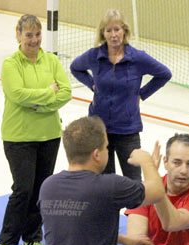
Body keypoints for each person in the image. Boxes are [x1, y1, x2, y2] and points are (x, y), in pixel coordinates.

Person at [35, 116, 165, 245]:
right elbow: (157, 191)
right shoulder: (110, 186)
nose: (107, 151)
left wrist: (122, 240)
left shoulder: (48, 186)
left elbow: (78, 227)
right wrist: (147, 163)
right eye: (106, 147)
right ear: (96, 154)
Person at [0, 14, 72, 245]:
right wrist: (48, 94)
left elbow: (67, 92)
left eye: (37, 34)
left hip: (49, 135)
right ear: (18, 35)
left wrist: (38, 104)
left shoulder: (51, 60)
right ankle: (7, 242)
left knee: (41, 189)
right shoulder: (11, 64)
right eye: (28, 35)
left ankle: (32, 237)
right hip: (18, 137)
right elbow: (17, 94)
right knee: (22, 188)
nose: (34, 40)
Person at [70, 9, 172, 181]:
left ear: (124, 30)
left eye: (117, 29)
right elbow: (75, 67)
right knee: (104, 182)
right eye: (108, 30)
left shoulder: (138, 58)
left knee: (133, 183)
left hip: (127, 130)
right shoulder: (94, 56)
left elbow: (164, 74)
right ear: (103, 33)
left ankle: (134, 210)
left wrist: (141, 94)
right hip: (99, 131)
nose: (113, 35)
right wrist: (92, 85)